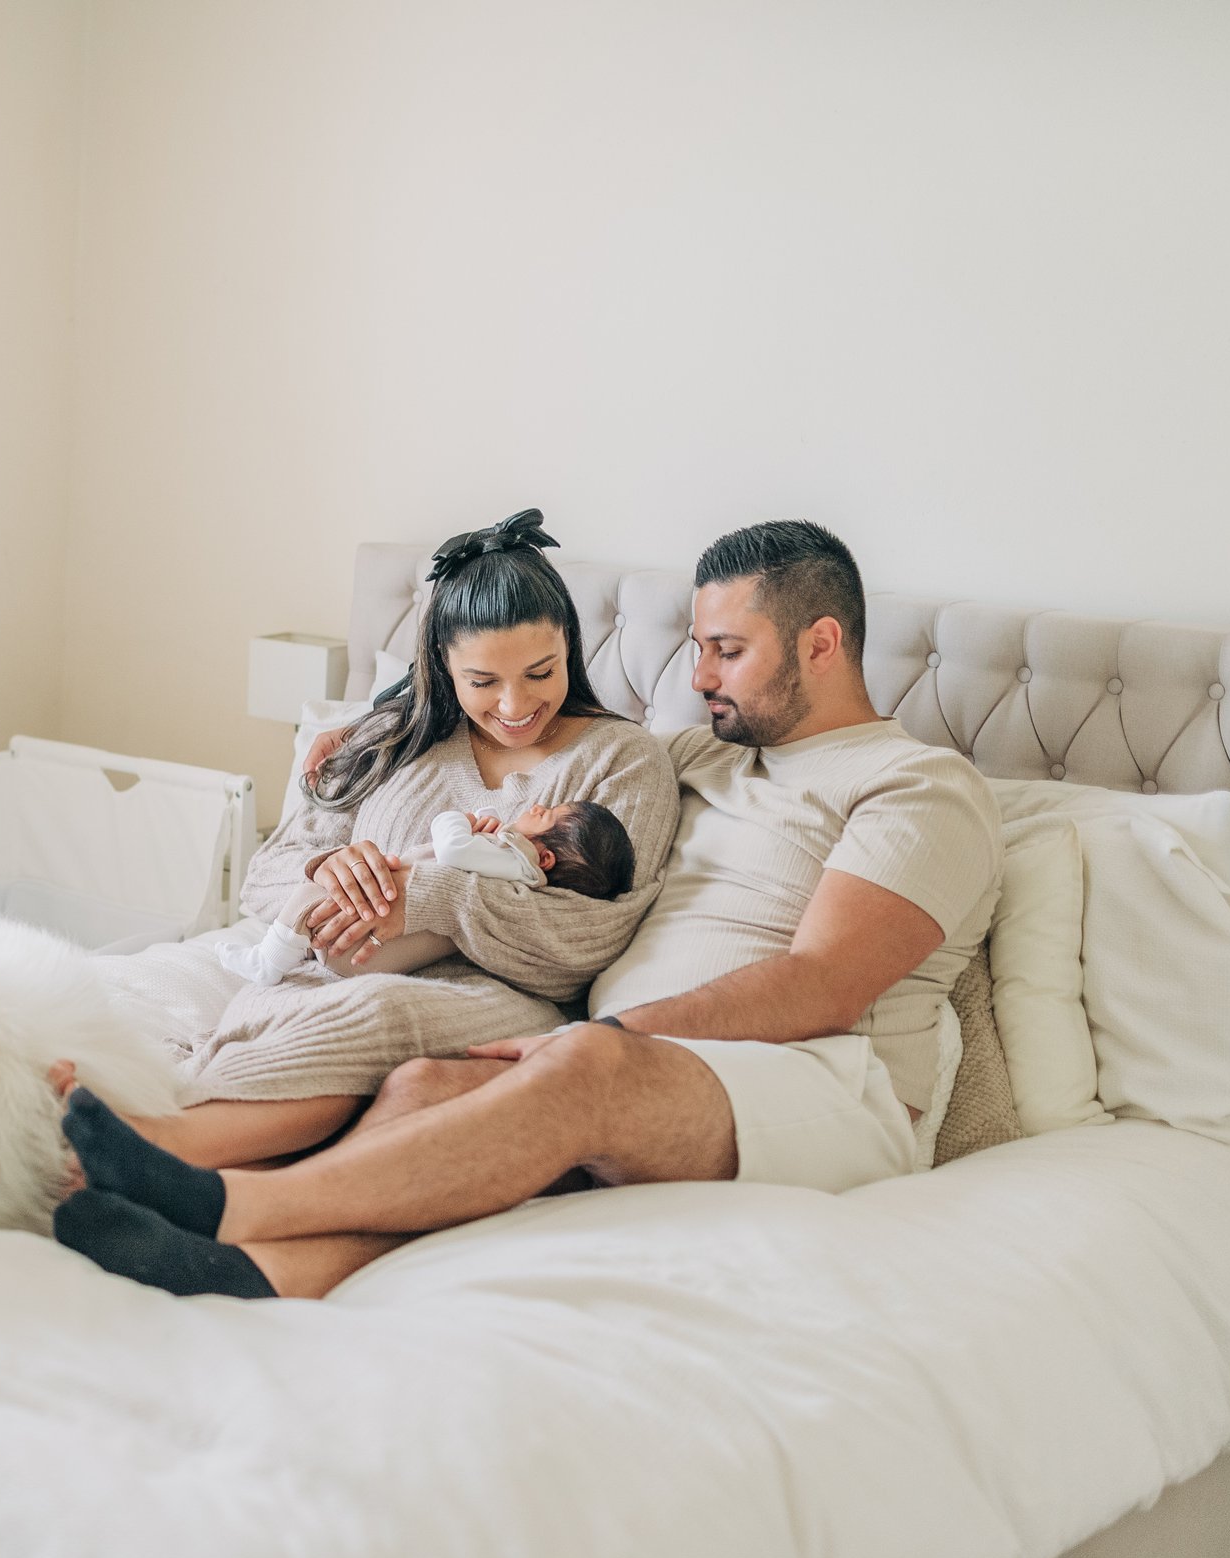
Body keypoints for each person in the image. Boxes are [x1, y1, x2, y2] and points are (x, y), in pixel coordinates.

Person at [59, 519, 1002, 1300]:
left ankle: (228, 1203)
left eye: (727, 651)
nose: (700, 675)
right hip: (654, 1065)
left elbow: (823, 986)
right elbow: (545, 781)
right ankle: (253, 1272)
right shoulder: (701, 758)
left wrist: (608, 1034)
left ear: (822, 643)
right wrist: (361, 745)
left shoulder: (917, 786)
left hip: (821, 1087)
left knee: (582, 1064)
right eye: (698, 649)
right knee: (424, 1086)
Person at [98, 509, 681, 1172]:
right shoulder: (395, 739)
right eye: (483, 682)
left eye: (541, 672)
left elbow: (593, 939)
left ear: (570, 650)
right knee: (169, 1010)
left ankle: (149, 1159)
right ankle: (163, 1148)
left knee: (371, 1014)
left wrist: (430, 896)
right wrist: (328, 871)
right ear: (443, 665)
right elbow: (264, 880)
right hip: (320, 964)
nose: (516, 705)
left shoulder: (623, 760)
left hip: (491, 993)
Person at [219, 800, 635, 986]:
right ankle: (293, 949)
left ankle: (267, 962)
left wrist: (455, 818)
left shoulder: (516, 861)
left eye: (544, 814)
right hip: (367, 953)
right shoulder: (515, 870)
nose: (532, 807)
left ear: (545, 858)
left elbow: (453, 848)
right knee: (329, 877)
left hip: (365, 945)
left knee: (315, 889)